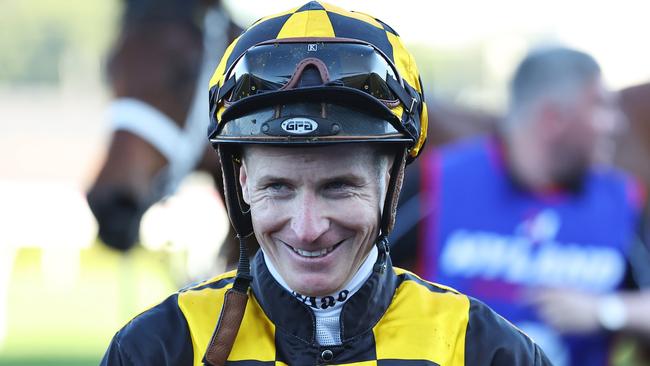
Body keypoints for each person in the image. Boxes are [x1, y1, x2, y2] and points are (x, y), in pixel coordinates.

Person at [100, 2, 550, 365]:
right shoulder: (155, 349)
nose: (308, 227)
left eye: (338, 186)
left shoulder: (488, 350)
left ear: (391, 180)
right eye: (278, 187)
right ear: (242, 184)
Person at [402, 47, 650, 366]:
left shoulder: (621, 201)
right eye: (600, 106)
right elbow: (360, 278)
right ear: (553, 119)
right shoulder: (440, 182)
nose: (615, 124)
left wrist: (605, 311)